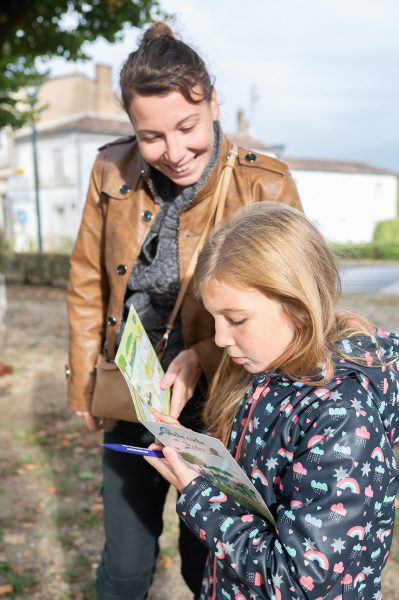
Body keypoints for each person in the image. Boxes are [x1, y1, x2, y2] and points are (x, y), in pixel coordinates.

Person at [66, 22, 301, 600]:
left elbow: (293, 306)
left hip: (226, 404)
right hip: (133, 397)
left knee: (209, 566)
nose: (174, 153)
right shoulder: (110, 170)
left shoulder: (265, 183)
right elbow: (86, 282)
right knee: (123, 567)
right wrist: (83, 389)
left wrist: (201, 352)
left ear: (213, 102)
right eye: (151, 136)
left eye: (188, 128)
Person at [145, 202, 399, 600]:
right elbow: (256, 480)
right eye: (214, 318)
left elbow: (296, 579)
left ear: (296, 306)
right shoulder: (266, 371)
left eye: (237, 319)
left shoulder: (342, 417)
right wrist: (196, 453)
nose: (220, 338)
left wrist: (196, 494)